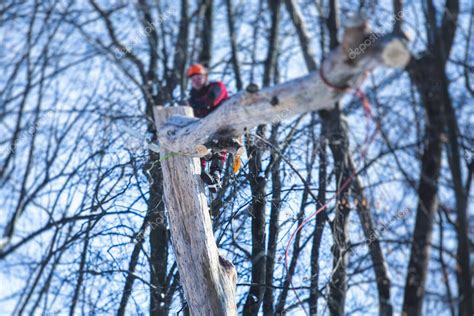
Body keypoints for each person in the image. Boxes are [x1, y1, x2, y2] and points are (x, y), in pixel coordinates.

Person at [187, 63, 229, 193]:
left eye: (199, 78)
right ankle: (201, 171)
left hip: (223, 125)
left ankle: (216, 174)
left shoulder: (217, 87)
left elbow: (211, 100)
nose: (196, 82)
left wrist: (192, 104)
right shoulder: (192, 97)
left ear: (205, 77)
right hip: (204, 131)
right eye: (193, 80)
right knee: (198, 144)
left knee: (220, 145)